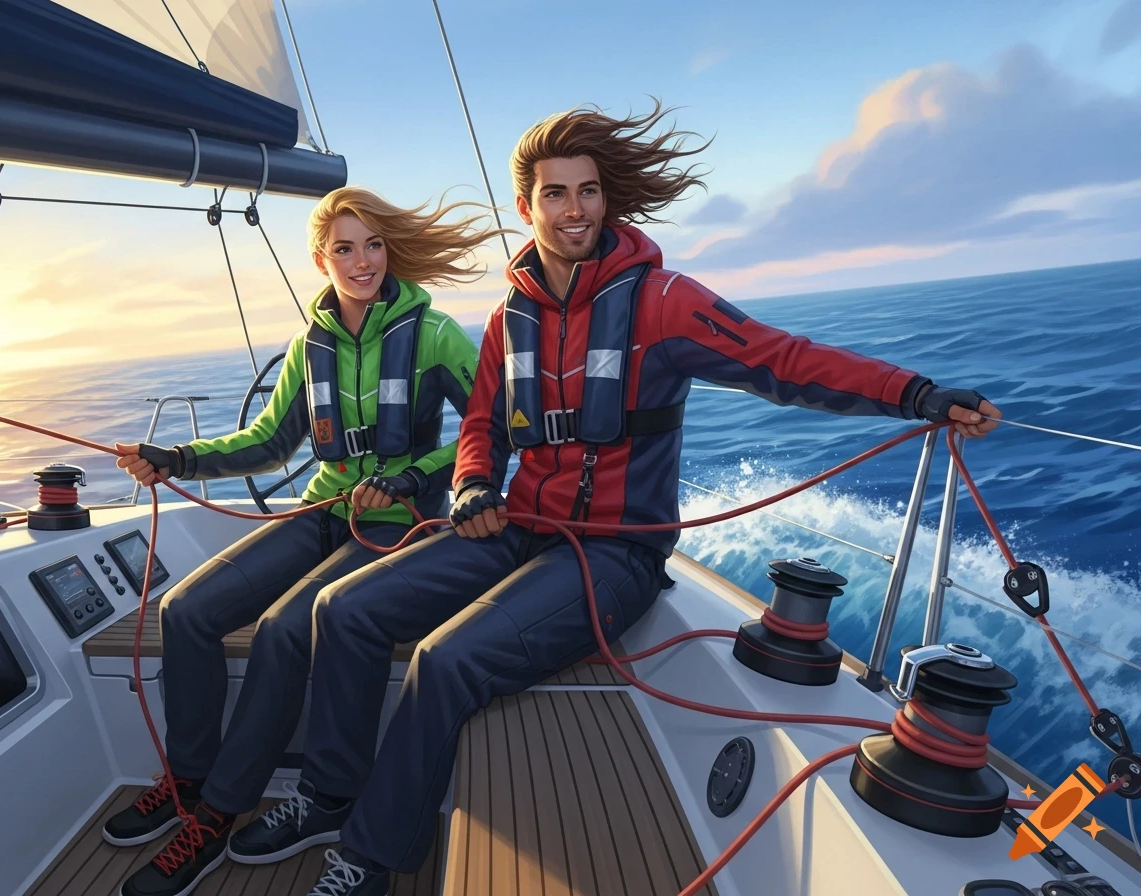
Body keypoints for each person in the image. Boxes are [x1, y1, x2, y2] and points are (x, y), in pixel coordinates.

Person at [281, 103, 1004, 896]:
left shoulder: (663, 301)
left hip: (612, 554)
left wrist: (917, 394)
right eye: (556, 194)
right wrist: (472, 484)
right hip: (519, 525)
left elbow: (785, 361)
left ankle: (371, 857)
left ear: (606, 199)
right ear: (527, 207)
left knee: (443, 660)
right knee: (341, 611)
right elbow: (482, 424)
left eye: (588, 191)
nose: (575, 210)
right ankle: (327, 793)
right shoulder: (508, 317)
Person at [100, 186, 505, 896]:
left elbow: (487, 431)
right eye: (345, 248)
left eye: (373, 244)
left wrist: (411, 479)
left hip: (394, 524)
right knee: (185, 612)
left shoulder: (433, 332)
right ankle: (188, 779)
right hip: (322, 510)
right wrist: (179, 460)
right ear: (321, 258)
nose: (362, 261)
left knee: (286, 629)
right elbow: (267, 442)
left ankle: (217, 815)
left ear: (389, 250)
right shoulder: (308, 344)